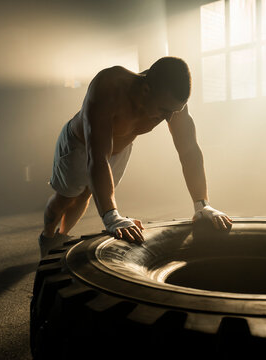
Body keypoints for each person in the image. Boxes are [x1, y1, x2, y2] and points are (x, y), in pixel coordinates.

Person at [39, 56, 232, 257]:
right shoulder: (109, 86)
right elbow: (97, 157)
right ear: (146, 89)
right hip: (80, 144)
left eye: (175, 111)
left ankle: (62, 236)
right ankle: (47, 237)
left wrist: (202, 205)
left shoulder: (173, 105)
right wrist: (111, 217)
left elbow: (189, 151)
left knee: (86, 194)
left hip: (119, 148)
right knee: (66, 198)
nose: (169, 118)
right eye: (165, 110)